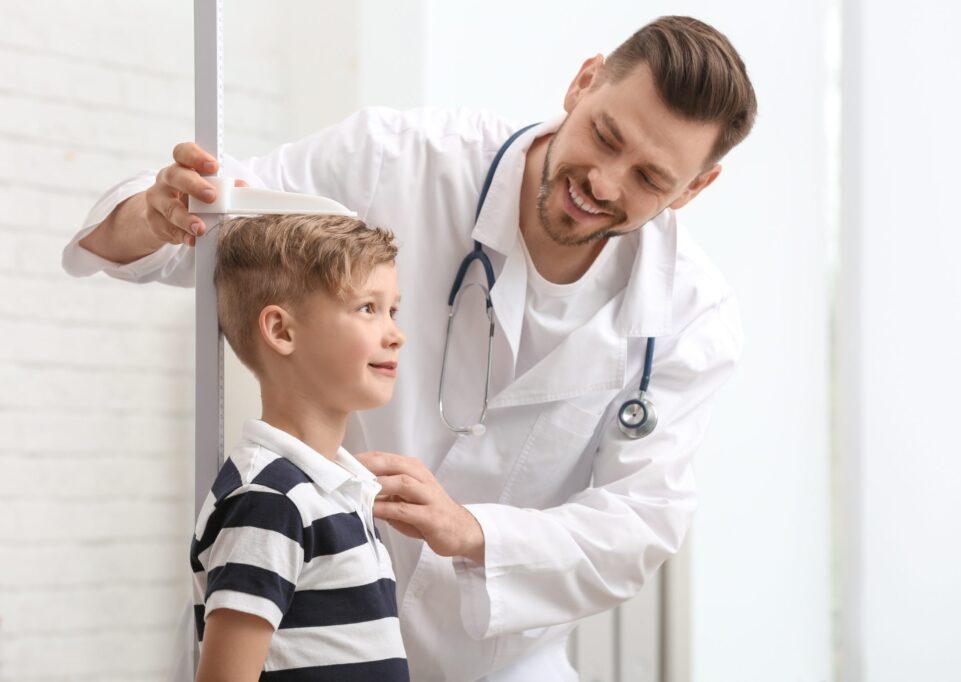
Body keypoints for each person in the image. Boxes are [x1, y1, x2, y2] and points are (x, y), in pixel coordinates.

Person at [63, 15, 756, 681]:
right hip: (307, 639)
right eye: (605, 136)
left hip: (497, 659)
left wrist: (471, 531)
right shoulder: (395, 162)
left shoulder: (691, 316)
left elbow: (639, 523)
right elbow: (214, 224)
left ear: (696, 188)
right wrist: (156, 212)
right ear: (584, 83)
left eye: (650, 179)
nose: (604, 183)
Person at [190, 214, 408, 681]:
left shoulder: (338, 492)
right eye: (368, 308)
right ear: (282, 331)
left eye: (393, 310)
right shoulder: (269, 502)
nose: (395, 333)